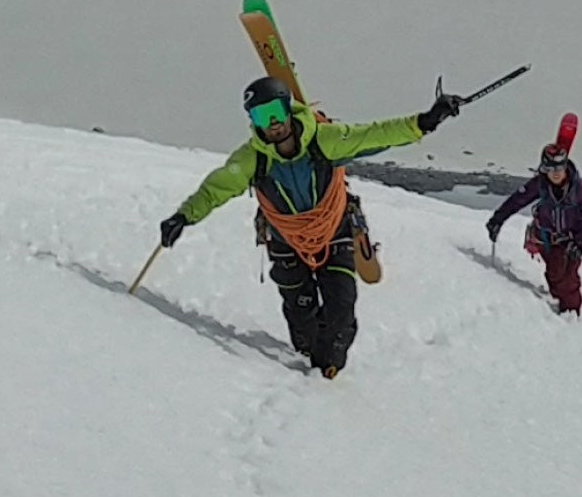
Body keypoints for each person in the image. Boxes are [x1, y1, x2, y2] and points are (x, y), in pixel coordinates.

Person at [161, 76, 461, 377]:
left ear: (289, 109)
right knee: (302, 320)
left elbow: (374, 135)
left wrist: (425, 121)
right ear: (252, 121)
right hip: (285, 240)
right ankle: (309, 350)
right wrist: (184, 216)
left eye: (277, 111)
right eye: (262, 116)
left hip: (334, 231)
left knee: (341, 308)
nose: (273, 122)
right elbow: (218, 187)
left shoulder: (324, 140)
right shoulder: (253, 159)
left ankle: (325, 373)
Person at [488, 142, 582, 314]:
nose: (555, 173)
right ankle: (559, 303)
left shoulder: (579, 190)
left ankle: (571, 315)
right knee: (555, 274)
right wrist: (497, 220)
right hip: (545, 238)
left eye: (559, 168)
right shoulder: (540, 185)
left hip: (571, 241)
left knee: (569, 279)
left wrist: (579, 243)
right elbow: (517, 200)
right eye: (550, 168)